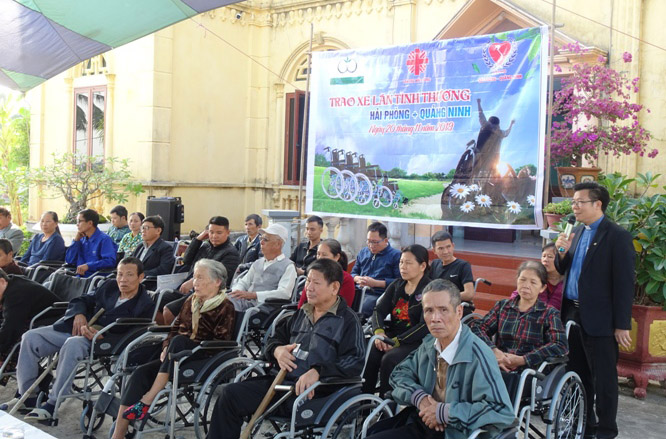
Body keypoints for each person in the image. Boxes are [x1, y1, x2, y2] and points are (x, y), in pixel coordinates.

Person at [206, 258, 365, 439]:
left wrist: (318, 372)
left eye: (316, 283)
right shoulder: (301, 314)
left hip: (317, 393)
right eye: (308, 281)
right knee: (230, 395)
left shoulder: (348, 321)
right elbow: (273, 341)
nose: (309, 288)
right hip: (280, 384)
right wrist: (277, 351)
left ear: (334, 287)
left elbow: (354, 360)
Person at [3, 258, 154, 420]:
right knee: (30, 337)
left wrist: (101, 334)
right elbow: (81, 299)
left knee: (72, 343)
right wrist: (79, 314)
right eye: (120, 274)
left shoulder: (144, 303)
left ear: (140, 277)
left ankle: (53, 403)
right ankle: (28, 396)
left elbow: (134, 332)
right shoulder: (109, 286)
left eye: (129, 275)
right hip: (77, 329)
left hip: (102, 340)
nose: (123, 279)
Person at [367, 279, 515, 439]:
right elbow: (399, 374)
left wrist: (444, 413)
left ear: (459, 312)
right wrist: (420, 398)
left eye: (443, 310)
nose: (435, 318)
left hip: (458, 432)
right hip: (423, 423)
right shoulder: (429, 344)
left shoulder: (478, 355)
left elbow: (501, 411)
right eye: (429, 310)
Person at [110, 259, 235, 438]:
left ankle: (148, 400)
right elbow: (174, 329)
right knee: (140, 373)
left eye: (200, 278)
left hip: (203, 357)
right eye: (194, 277)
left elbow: (221, 341)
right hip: (175, 357)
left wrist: (179, 345)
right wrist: (166, 346)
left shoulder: (225, 306)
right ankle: (118, 433)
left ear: (217, 282)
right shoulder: (191, 301)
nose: (195, 282)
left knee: (179, 342)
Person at [555, 181, 634, 439]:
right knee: (578, 374)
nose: (574, 207)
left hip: (600, 319)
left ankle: (606, 431)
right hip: (572, 314)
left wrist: (622, 324)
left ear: (597, 204)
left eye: (580, 202)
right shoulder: (577, 231)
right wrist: (561, 253)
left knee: (604, 380)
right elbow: (564, 268)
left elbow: (624, 283)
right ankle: (584, 427)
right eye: (573, 202)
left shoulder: (616, 236)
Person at [472, 261, 568, 397]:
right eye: (522, 280)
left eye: (533, 282)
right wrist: (494, 352)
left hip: (529, 370)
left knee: (504, 381)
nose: (526, 285)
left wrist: (523, 359)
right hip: (498, 362)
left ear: (542, 288)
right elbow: (478, 328)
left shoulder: (549, 313)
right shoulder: (503, 306)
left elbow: (560, 345)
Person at [362, 244, 431, 396]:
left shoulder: (430, 290)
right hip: (392, 337)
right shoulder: (396, 285)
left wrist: (397, 342)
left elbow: (424, 325)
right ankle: (365, 400)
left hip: (417, 341)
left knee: (389, 359)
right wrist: (379, 333)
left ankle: (386, 403)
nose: (403, 267)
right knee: (371, 351)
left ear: (422, 266)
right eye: (401, 262)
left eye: (408, 263)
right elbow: (378, 310)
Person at [161, 216, 240, 324]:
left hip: (205, 293)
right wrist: (198, 239)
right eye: (211, 232)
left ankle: (174, 333)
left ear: (228, 233)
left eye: (219, 233)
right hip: (187, 289)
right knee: (158, 300)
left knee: (168, 310)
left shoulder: (230, 253)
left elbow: (220, 278)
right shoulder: (205, 246)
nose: (214, 236)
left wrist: (194, 281)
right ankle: (161, 331)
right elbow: (186, 260)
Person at [228, 223, 296, 311]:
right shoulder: (258, 263)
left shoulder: (288, 266)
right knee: (222, 300)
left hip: (266, 308)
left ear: (278, 244)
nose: (261, 242)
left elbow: (284, 293)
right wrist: (237, 292)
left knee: (227, 305)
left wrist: (254, 295)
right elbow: (244, 282)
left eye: (266, 239)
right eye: (261, 238)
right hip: (246, 303)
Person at [0, 269, 58, 365]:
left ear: (2, 281)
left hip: (50, 321)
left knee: (12, 337)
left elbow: (11, 327)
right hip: (31, 319)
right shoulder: (11, 282)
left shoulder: (16, 294)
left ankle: (18, 370)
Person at [350, 222, 401, 317]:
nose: (371, 245)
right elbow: (353, 273)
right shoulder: (363, 252)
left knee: (363, 307)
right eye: (368, 241)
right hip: (359, 290)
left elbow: (399, 282)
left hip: (378, 294)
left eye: (375, 242)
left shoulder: (395, 255)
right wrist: (358, 279)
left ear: (385, 240)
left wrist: (375, 283)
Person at [297, 238, 354, 308]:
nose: (320, 258)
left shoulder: (346, 279)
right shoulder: (313, 275)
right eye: (318, 254)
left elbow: (342, 307)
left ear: (336, 257)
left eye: (324, 255)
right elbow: (301, 304)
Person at [430, 231, 475, 313]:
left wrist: (444, 297)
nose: (445, 251)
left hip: (456, 308)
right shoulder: (434, 264)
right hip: (436, 307)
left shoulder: (463, 266)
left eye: (448, 247)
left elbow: (469, 294)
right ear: (434, 250)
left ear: (453, 246)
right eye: (441, 248)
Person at [510, 243, 564, 310]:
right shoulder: (535, 274)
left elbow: (555, 305)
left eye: (550, 257)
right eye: (543, 256)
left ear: (561, 260)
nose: (545, 259)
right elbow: (516, 294)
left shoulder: (567, 281)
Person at [65, 209, 117, 277]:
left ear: (90, 223)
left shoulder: (104, 239)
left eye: (79, 221)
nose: (77, 224)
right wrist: (76, 241)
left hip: (95, 278)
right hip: (78, 277)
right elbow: (69, 260)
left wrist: (89, 266)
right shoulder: (81, 239)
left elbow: (110, 261)